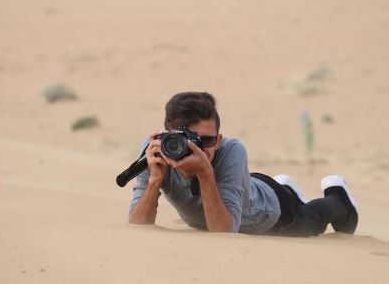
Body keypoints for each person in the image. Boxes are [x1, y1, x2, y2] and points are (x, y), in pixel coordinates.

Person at [128, 92, 358, 236]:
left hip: (270, 211)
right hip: (244, 186)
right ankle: (287, 187)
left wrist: (205, 174)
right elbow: (138, 225)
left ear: (218, 139)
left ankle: (338, 196)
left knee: (311, 223)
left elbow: (224, 232)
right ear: (168, 136)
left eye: (206, 141)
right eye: (186, 141)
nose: (197, 149)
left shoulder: (231, 150)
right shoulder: (154, 150)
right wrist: (155, 180)